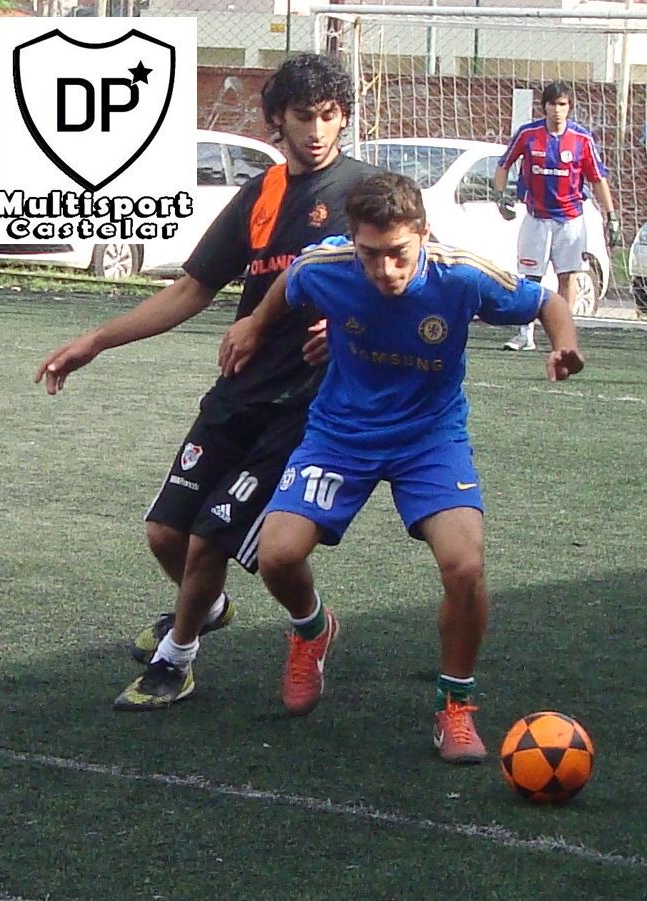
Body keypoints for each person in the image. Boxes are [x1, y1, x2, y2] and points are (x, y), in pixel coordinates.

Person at [34, 53, 378, 711]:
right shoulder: (261, 194)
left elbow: (407, 280)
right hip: (239, 389)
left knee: (208, 540)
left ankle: (176, 659)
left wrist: (347, 327)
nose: (316, 130)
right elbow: (192, 288)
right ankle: (215, 607)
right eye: (302, 116)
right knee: (166, 534)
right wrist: (95, 341)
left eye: (329, 116)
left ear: (343, 118)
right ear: (276, 119)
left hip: (305, 406)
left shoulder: (365, 192)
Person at [219, 172, 584, 764]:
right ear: (353, 242)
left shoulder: (460, 275)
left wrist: (564, 344)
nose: (384, 270)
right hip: (340, 435)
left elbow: (547, 300)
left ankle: (455, 705)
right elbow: (292, 279)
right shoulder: (328, 266)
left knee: (465, 565)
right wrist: (254, 325)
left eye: (397, 254)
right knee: (277, 555)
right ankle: (312, 629)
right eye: (369, 254)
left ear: (423, 234)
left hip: (429, 440)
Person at [493, 80, 619, 351]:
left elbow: (597, 179)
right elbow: (503, 165)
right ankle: (525, 334)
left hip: (570, 220)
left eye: (562, 104)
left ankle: (562, 338)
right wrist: (499, 197)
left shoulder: (582, 139)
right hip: (536, 218)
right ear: (544, 107)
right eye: (552, 104)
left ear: (569, 107)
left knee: (567, 277)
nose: (557, 110)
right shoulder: (528, 134)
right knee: (530, 278)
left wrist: (612, 215)